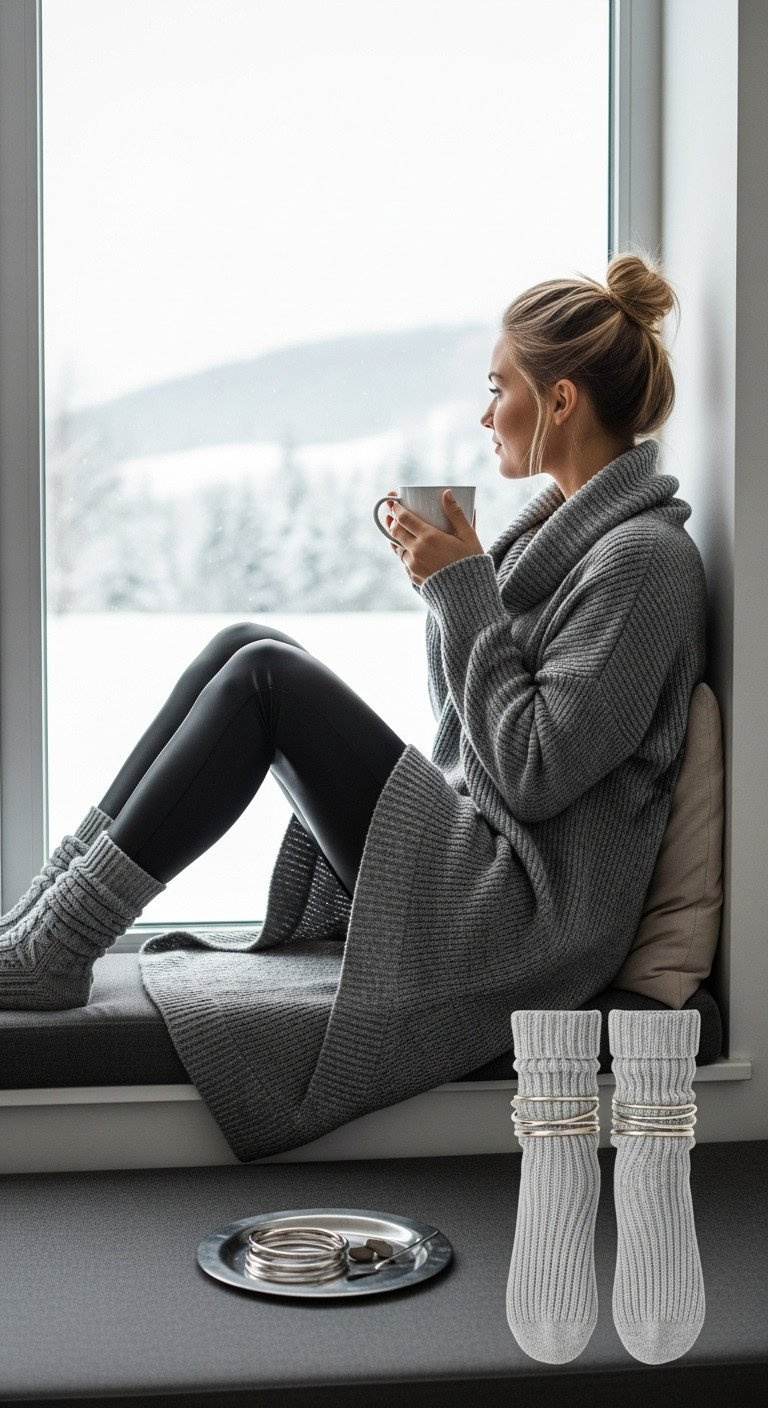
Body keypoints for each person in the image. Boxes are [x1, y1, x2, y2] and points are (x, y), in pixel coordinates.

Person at [0, 248, 707, 1168]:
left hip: (517, 923)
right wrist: (454, 590)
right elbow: (478, 736)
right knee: (248, 644)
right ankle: (44, 920)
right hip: (482, 864)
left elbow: (533, 775)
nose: (486, 413)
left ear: (561, 401)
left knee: (266, 681)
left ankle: (58, 947)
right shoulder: (567, 543)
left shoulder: (643, 564)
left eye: (499, 388)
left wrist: (463, 594)